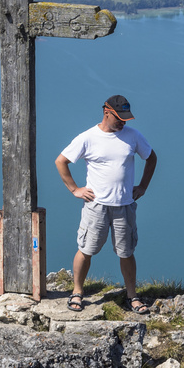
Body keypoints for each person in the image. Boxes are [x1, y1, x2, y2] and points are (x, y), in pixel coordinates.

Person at [55, 94, 157, 314]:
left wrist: (143, 187)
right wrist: (75, 189)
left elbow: (151, 157)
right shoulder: (88, 138)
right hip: (96, 205)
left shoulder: (133, 136)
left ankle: (132, 296)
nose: (123, 122)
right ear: (106, 112)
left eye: (126, 118)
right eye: (119, 117)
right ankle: (77, 292)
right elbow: (61, 161)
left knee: (126, 251)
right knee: (86, 249)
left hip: (125, 204)